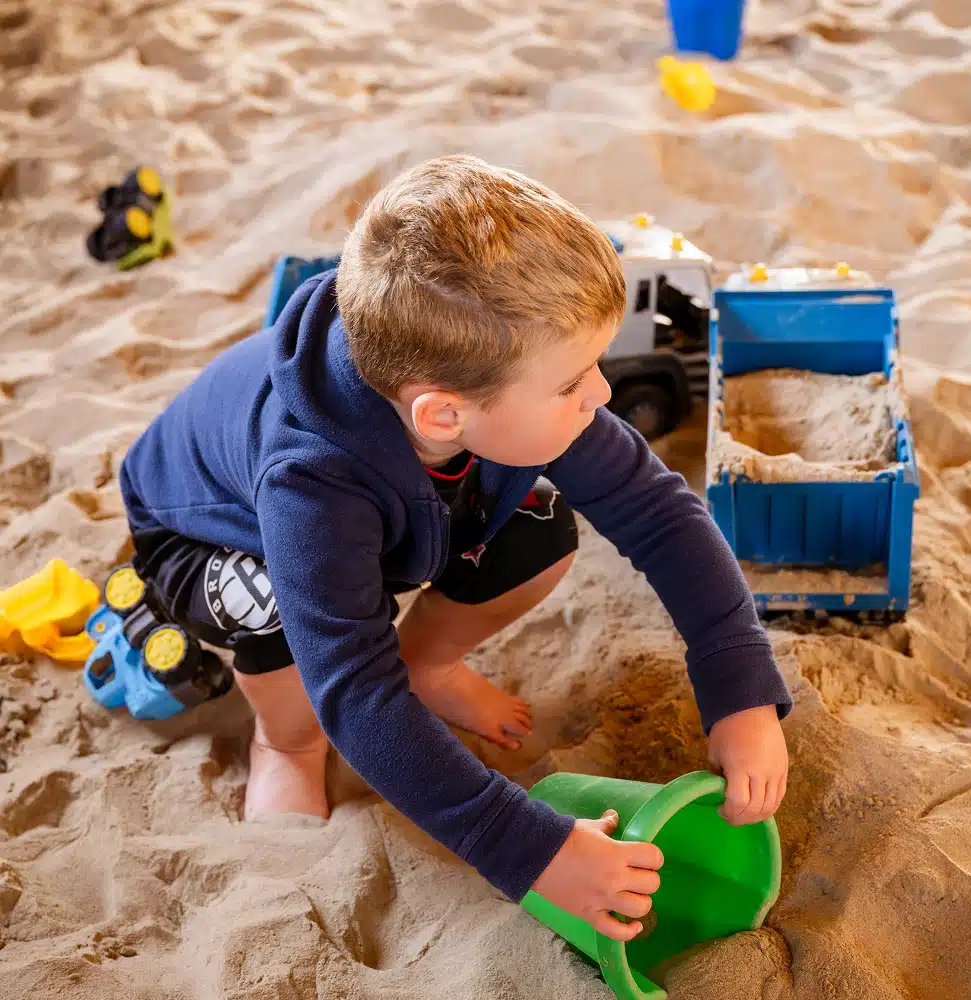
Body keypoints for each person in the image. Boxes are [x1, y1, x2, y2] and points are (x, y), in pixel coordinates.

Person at [119, 154, 792, 942]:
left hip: (401, 508)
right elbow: (357, 694)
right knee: (279, 609)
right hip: (205, 539)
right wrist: (529, 850)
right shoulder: (311, 485)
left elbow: (659, 514)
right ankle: (285, 743)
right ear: (443, 415)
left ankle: (427, 661)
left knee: (538, 528)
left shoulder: (488, 381)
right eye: (574, 381)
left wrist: (739, 686)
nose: (602, 394)